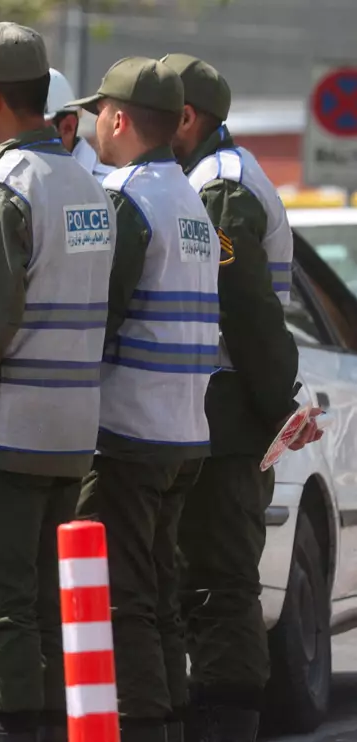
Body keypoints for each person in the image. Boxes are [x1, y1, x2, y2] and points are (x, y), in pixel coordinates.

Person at [0, 21, 116, 742]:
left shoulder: (2, 188)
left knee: (2, 608)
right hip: (72, 432)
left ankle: (17, 731)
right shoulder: (85, 184)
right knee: (51, 603)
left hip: (8, 434)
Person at [160, 52, 323, 742]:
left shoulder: (221, 188)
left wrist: (272, 405)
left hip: (228, 412)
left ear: (186, 119)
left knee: (219, 582)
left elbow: (245, 310)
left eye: (152, 114)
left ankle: (226, 723)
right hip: (218, 408)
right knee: (201, 577)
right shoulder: (204, 175)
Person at [65, 56, 219, 742]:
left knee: (121, 595)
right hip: (183, 428)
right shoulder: (188, 199)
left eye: (98, 111)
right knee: (158, 593)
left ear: (119, 119)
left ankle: (141, 723)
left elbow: (102, 310)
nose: (93, 124)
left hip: (127, 428)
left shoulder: (125, 200)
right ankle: (170, 717)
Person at [0, 68, 113, 180]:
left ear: (67, 127)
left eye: (24, 140)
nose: (9, 153)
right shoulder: (10, 186)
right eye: (2, 145)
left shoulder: (107, 192)